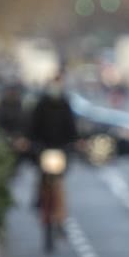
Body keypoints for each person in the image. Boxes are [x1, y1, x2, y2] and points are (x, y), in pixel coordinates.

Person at [27, 72, 78, 233]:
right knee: (41, 177)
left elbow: (72, 127)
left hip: (60, 150)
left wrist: (76, 141)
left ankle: (60, 217)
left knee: (59, 184)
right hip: (44, 149)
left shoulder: (65, 104)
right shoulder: (41, 104)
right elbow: (32, 125)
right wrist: (28, 141)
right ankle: (38, 200)